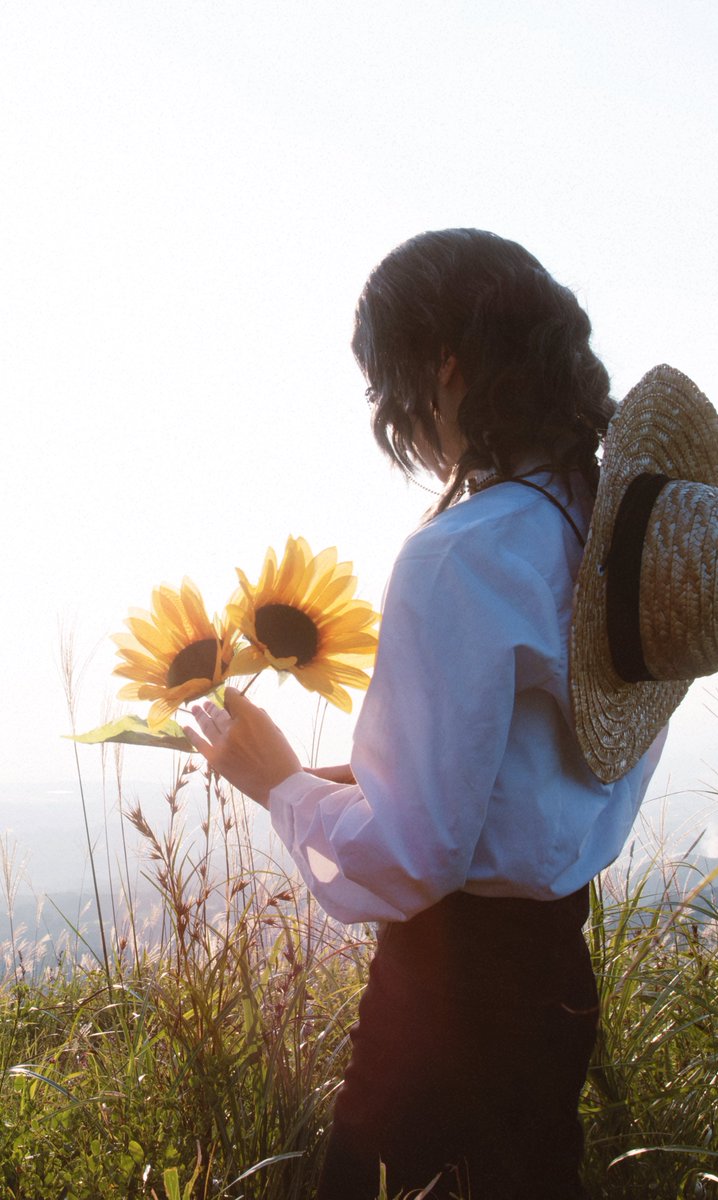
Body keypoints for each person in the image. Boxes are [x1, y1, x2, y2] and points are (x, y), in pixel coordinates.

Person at [186, 228, 669, 1199]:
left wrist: (278, 784)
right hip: (552, 979)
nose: (393, 420)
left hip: (450, 993)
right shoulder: (608, 532)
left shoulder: (464, 552)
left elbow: (421, 858)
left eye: (384, 390)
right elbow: (531, 769)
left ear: (441, 367)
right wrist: (366, 777)